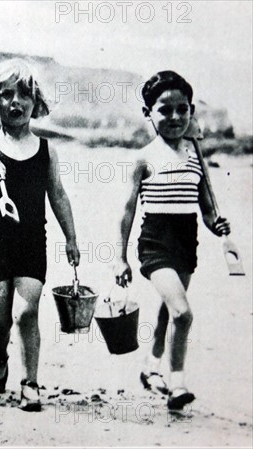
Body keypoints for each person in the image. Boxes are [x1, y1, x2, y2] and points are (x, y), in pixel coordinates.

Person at [0, 60, 80, 411]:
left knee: (26, 313)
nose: (15, 102)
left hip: (32, 243)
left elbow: (59, 196)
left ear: (36, 102)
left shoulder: (46, 150)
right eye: (6, 95)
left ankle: (30, 383)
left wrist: (71, 238)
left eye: (24, 94)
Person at [114, 70, 231, 411]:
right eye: (165, 110)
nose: (175, 117)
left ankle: (150, 369)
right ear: (148, 113)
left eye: (182, 109)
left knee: (168, 312)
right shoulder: (144, 158)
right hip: (155, 244)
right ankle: (178, 383)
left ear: (191, 111)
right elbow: (126, 210)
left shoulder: (196, 155)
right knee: (183, 313)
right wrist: (119, 258)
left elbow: (207, 208)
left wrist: (217, 224)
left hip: (186, 243)